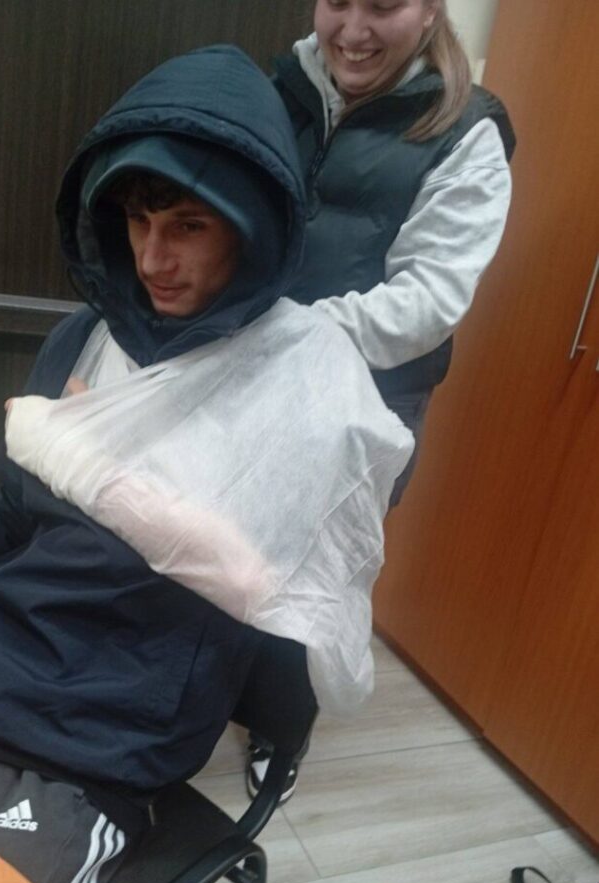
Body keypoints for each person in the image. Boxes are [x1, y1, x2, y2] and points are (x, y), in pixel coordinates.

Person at [0, 46, 412, 883]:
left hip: (89, 738)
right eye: (137, 220)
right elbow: (7, 510)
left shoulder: (306, 384)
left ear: (251, 227)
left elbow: (269, 590)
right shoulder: (86, 340)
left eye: (188, 225)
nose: (152, 256)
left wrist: (96, 470)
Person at [246, 0, 516, 800]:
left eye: (383, 5)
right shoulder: (283, 87)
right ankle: (193, 694)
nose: (353, 31)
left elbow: (426, 303)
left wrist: (283, 332)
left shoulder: (466, 129)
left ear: (429, 10)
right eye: (338, 1)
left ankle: (278, 732)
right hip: (247, 375)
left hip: (361, 400)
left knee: (310, 576)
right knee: (220, 540)